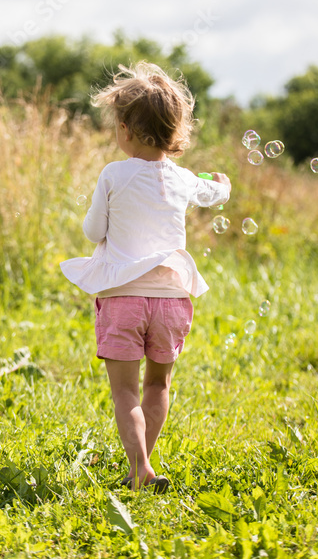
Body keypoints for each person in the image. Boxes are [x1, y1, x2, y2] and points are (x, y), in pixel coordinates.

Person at [61, 62, 231, 493]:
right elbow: (215, 191)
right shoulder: (184, 178)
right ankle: (143, 467)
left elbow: (93, 232)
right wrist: (221, 183)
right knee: (159, 385)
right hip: (173, 299)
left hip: (123, 301)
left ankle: (140, 469)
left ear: (125, 130)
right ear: (176, 129)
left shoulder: (113, 174)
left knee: (125, 393)